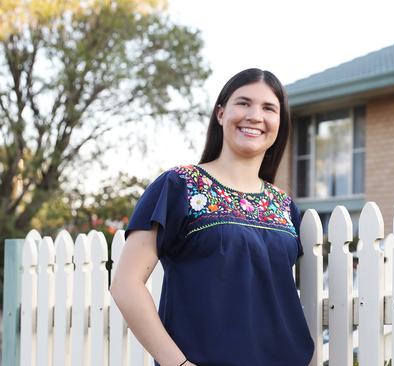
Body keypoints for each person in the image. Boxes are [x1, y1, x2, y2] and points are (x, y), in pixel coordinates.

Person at [110, 68, 315, 366]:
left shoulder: (284, 206)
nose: (255, 115)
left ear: (279, 123)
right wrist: (177, 364)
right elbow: (126, 284)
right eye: (243, 103)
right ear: (221, 113)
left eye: (269, 108)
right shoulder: (179, 185)